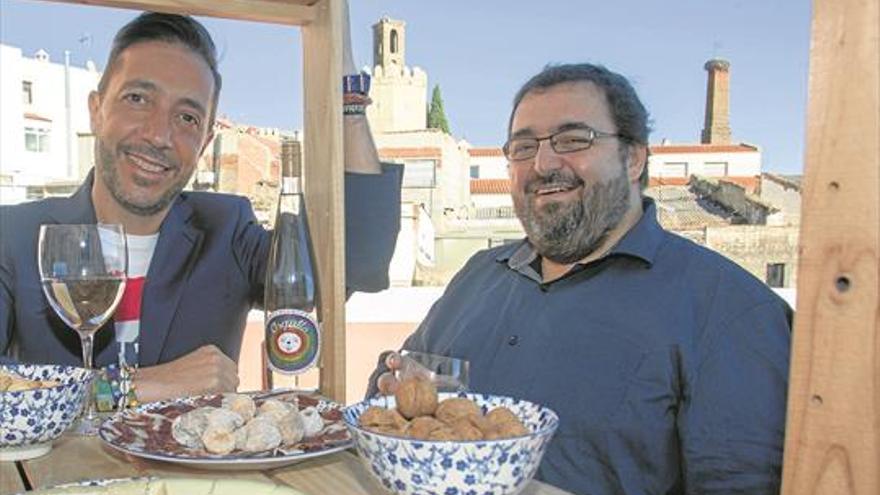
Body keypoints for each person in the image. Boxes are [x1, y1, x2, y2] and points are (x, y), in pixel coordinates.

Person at [370, 63, 792, 494]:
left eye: (573, 140)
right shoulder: (478, 275)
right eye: (523, 147)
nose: (543, 163)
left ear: (633, 158)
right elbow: (391, 401)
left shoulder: (730, 311)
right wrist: (394, 388)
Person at [0, 10, 402, 404]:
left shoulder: (228, 230)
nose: (159, 134)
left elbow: (356, 262)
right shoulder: (15, 236)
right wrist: (139, 386)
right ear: (96, 109)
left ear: (206, 141)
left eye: (188, 117)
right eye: (138, 98)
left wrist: (347, 92)